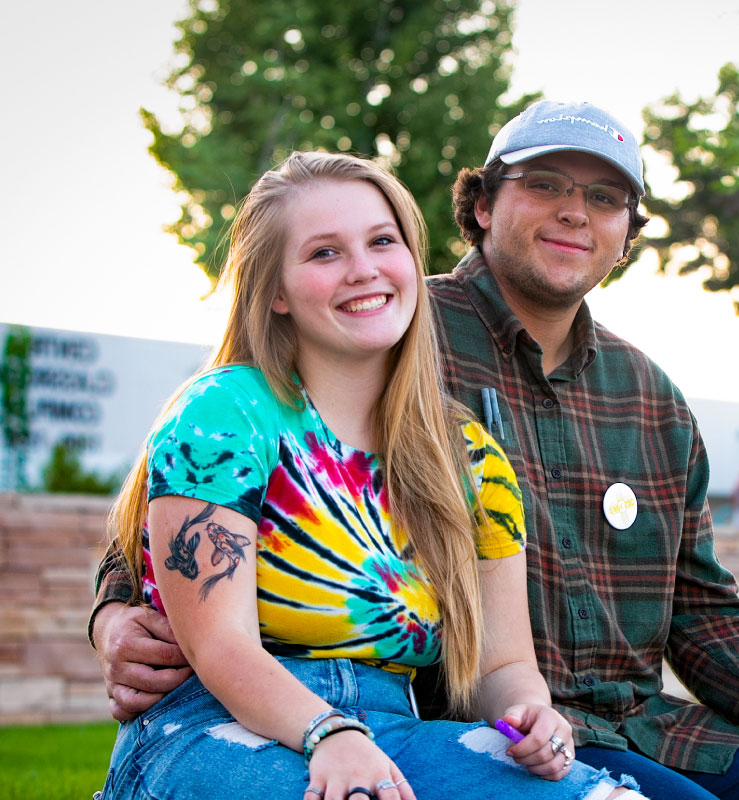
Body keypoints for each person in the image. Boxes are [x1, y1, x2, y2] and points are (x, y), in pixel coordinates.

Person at [92, 101, 739, 800]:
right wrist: (111, 614)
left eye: (604, 197)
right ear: (483, 204)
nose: (575, 210)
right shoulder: (376, 339)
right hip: (377, 721)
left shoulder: (639, 401)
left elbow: (702, 610)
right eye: (547, 184)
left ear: (628, 231)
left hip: (604, 724)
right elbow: (180, 529)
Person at [96, 151, 643, 800]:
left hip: (394, 729)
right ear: (274, 291)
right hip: (208, 729)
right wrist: (327, 732)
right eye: (324, 253)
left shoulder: (471, 458)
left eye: (383, 241)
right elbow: (220, 647)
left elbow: (502, 663)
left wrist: (529, 711)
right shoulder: (224, 415)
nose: (364, 269)